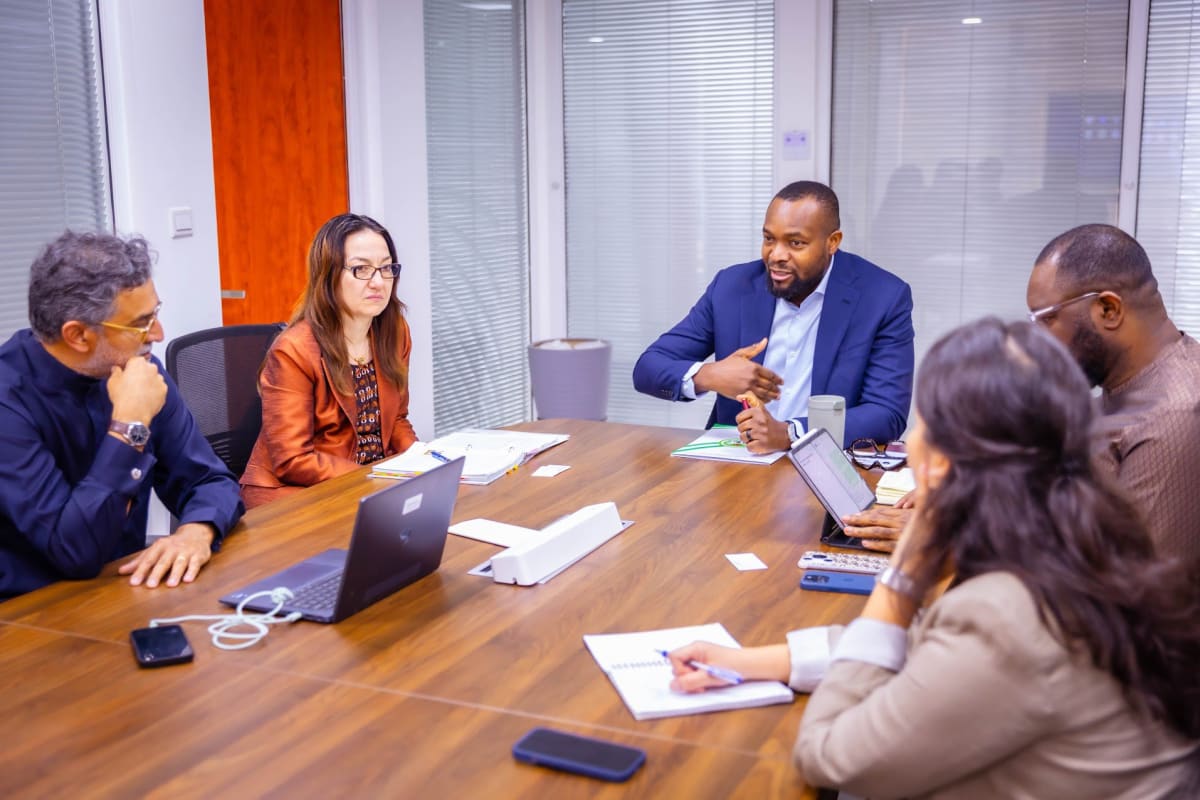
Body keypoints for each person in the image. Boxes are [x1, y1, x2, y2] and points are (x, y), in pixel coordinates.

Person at [668, 318, 1200, 797]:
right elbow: (924, 655)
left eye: (922, 424)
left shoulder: (1007, 614)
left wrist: (902, 580)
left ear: (944, 458)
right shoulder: (1078, 541)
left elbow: (829, 755)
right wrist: (747, 663)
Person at [845, 224, 1200, 568]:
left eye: (1047, 320)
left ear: (1108, 310)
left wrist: (956, 541)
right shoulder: (1125, 382)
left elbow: (1131, 586)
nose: (1039, 342)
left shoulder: (1173, 416)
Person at [0, 231, 245, 599]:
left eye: (155, 313)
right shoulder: (8, 402)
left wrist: (197, 530)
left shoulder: (141, 371)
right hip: (32, 613)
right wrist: (130, 427)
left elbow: (211, 480)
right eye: (141, 323)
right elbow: (74, 553)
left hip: (126, 588)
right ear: (78, 335)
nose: (159, 334)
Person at [631, 181, 914, 453]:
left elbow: (886, 414)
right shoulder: (732, 286)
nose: (776, 255)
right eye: (769, 239)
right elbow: (648, 368)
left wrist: (791, 433)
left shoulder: (882, 297)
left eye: (796, 243)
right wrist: (710, 375)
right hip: (738, 465)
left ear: (832, 242)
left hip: (828, 465)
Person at [240, 213, 418, 508]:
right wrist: (374, 479)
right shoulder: (293, 350)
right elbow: (293, 459)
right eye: (362, 269)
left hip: (366, 486)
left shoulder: (394, 332)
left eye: (386, 268)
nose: (378, 282)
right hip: (294, 495)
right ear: (329, 275)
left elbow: (396, 419)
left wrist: (424, 464)